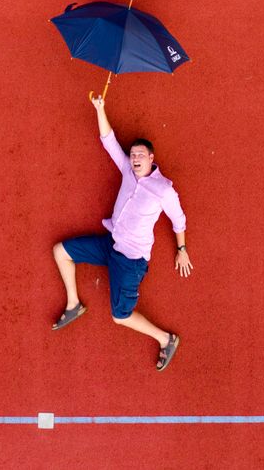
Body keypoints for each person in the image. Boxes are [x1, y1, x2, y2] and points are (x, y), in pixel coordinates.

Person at [51, 94, 193, 371]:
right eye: (133, 154)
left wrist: (182, 249)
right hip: (110, 244)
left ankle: (166, 339)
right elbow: (109, 141)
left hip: (130, 261)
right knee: (61, 251)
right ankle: (74, 304)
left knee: (120, 316)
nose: (135, 158)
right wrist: (100, 108)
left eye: (141, 155)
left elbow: (179, 219)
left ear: (152, 159)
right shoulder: (128, 171)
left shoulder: (163, 189)